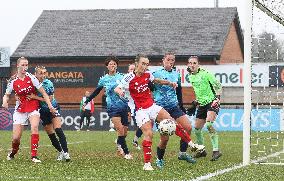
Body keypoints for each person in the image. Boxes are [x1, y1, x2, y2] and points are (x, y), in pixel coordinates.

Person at [115, 54, 204, 171]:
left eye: (147, 64)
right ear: (137, 64)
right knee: (149, 134)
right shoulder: (129, 77)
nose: (145, 66)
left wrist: (170, 83)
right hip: (139, 110)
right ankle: (147, 164)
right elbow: (117, 88)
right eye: (143, 63)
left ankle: (192, 144)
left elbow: (156, 80)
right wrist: (121, 93)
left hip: (151, 106)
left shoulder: (148, 74)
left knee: (171, 122)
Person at [2, 57, 55, 163]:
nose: (25, 67)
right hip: (20, 109)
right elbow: (6, 94)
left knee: (34, 127)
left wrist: (50, 106)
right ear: (18, 66)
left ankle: (34, 156)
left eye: (26, 65)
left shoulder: (31, 78)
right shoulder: (13, 81)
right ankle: (13, 152)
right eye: (23, 65)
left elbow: (44, 93)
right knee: (16, 138)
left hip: (33, 106)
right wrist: (5, 102)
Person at [83, 56, 132, 159]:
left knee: (124, 130)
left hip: (124, 106)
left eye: (114, 64)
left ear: (117, 65)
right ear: (107, 66)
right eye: (110, 64)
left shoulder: (122, 77)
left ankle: (119, 144)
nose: (112, 65)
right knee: (119, 128)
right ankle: (126, 153)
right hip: (112, 107)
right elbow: (97, 91)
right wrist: (87, 101)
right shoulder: (104, 79)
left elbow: (129, 89)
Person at [152, 53, 196, 168]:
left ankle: (182, 153)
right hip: (161, 109)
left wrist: (181, 107)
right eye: (168, 59)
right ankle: (159, 159)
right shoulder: (156, 73)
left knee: (188, 127)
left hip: (174, 107)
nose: (170, 62)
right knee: (165, 138)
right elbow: (150, 87)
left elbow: (179, 91)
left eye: (173, 60)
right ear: (163, 60)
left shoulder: (176, 74)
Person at [27, 66, 70, 161]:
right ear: (36, 74)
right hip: (43, 111)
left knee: (58, 129)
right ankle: (61, 152)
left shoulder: (48, 83)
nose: (43, 75)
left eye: (44, 73)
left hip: (53, 108)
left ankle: (66, 153)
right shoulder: (32, 84)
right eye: (41, 73)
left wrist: (35, 97)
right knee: (51, 134)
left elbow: (49, 99)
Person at [186, 56, 222, 161]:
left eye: (194, 63)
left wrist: (217, 99)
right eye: (190, 63)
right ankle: (202, 151)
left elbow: (218, 86)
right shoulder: (190, 77)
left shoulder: (206, 74)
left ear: (198, 64)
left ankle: (216, 151)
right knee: (197, 129)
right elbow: (200, 91)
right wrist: (196, 102)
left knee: (209, 124)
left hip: (212, 102)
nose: (192, 65)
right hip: (201, 104)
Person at [127, 63, 143, 150]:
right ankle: (120, 140)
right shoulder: (126, 80)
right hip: (130, 107)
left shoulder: (140, 79)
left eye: (134, 69)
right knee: (124, 126)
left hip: (139, 106)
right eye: (131, 69)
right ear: (128, 71)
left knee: (142, 126)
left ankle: (135, 140)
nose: (132, 70)